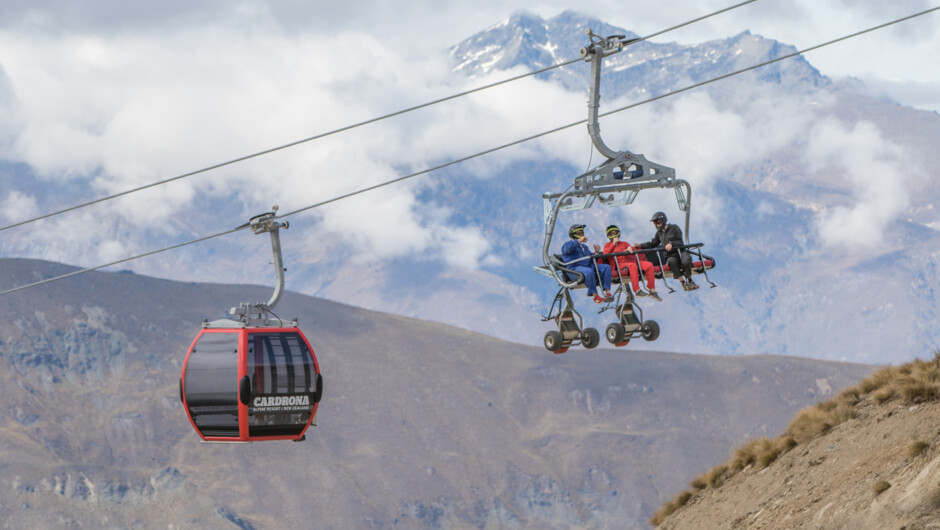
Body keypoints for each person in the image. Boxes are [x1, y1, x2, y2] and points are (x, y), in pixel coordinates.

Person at [636, 212, 698, 290]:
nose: (657, 225)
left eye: (658, 222)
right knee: (672, 262)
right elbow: (653, 243)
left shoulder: (674, 228)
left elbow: (680, 242)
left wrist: (671, 244)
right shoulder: (659, 234)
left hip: (680, 252)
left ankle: (690, 280)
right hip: (670, 255)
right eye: (655, 223)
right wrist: (641, 245)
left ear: (663, 221)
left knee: (686, 260)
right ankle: (683, 282)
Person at [601, 224, 662, 301]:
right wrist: (613, 244)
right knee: (632, 266)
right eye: (611, 233)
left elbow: (631, 249)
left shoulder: (624, 243)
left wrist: (630, 249)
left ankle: (652, 290)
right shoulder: (607, 245)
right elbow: (605, 254)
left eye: (615, 232)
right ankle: (637, 290)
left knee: (649, 265)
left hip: (630, 261)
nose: (613, 235)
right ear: (608, 235)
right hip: (619, 265)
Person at [561, 224, 614, 303]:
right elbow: (567, 250)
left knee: (606, 267)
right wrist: (578, 241)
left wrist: (596, 252)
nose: (582, 235)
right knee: (589, 271)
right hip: (575, 269)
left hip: (588, 266)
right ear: (573, 234)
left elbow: (591, 260)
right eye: (579, 233)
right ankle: (595, 296)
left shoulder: (584, 247)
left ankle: (607, 293)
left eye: (582, 233)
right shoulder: (567, 245)